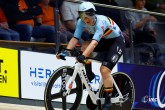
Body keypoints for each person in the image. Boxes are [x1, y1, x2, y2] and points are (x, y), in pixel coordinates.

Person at [57, 2, 125, 110]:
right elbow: (75, 38)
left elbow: (94, 43)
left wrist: (83, 56)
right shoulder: (81, 22)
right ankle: (89, 74)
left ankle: (108, 100)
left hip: (116, 42)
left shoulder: (101, 22)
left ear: (92, 15)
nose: (85, 20)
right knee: (84, 45)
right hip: (103, 40)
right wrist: (66, 51)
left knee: (104, 70)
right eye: (81, 17)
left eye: (86, 17)